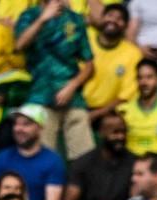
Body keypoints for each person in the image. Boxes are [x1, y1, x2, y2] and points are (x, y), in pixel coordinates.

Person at [15, 0, 95, 160]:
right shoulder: (29, 15)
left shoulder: (75, 19)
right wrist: (43, 19)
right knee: (42, 157)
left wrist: (72, 86)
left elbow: (89, 66)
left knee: (86, 159)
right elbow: (20, 45)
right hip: (40, 97)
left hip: (73, 97)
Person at [0, 104, 66, 200]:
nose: (19, 128)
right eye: (16, 124)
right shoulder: (2, 158)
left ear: (40, 128)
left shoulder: (53, 160)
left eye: (26, 124)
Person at [62, 114, 135, 200]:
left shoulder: (134, 163)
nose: (120, 136)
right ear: (101, 133)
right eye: (115, 132)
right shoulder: (83, 163)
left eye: (123, 132)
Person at [82, 3, 140, 123]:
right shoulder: (84, 42)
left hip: (108, 112)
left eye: (119, 19)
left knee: (113, 123)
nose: (113, 20)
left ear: (126, 26)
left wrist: (96, 114)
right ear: (102, 18)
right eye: (110, 15)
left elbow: (124, 97)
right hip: (77, 106)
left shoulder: (133, 54)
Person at [119, 59, 157, 156]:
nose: (144, 82)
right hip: (130, 164)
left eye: (149, 77)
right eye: (140, 78)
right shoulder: (122, 111)